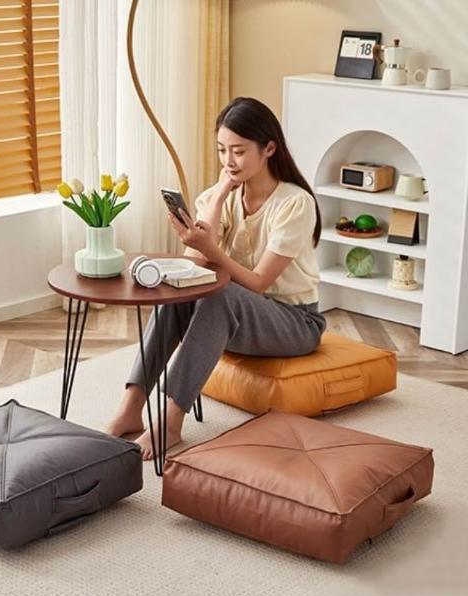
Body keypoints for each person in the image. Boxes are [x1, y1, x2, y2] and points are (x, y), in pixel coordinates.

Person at [106, 96, 327, 460]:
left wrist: (212, 249)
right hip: (238, 318)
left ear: (269, 148)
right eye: (222, 150)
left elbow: (258, 283)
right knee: (180, 292)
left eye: (238, 151)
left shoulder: (294, 203)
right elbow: (193, 265)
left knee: (220, 294)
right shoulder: (219, 196)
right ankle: (131, 407)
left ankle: (170, 421)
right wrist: (222, 194)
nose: (228, 161)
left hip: (294, 322)